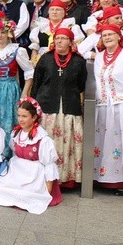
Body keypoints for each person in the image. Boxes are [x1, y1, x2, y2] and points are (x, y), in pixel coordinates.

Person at [31, 27, 87, 188]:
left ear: (71, 42)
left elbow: (81, 84)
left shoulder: (78, 61)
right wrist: (34, 106)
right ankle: (43, 178)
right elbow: (37, 82)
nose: (59, 41)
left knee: (68, 142)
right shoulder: (46, 58)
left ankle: (65, 179)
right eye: (57, 38)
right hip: (47, 107)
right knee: (49, 142)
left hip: (70, 108)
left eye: (63, 38)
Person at [92, 24, 123, 195]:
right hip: (104, 106)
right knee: (104, 143)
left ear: (119, 36)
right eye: (104, 35)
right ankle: (102, 178)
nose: (107, 37)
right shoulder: (98, 57)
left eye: (111, 34)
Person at [0, 98, 62, 214]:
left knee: (30, 194)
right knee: (1, 189)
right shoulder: (16, 133)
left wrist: (47, 193)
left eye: (24, 116)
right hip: (17, 170)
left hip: (34, 174)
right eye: (19, 115)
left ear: (34, 117)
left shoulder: (42, 139)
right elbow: (15, 152)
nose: (20, 119)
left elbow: (49, 166)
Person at [0, 16, 34, 150]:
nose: (0, 35)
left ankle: (6, 152)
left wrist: (24, 94)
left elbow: (29, 73)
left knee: (8, 119)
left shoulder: (17, 50)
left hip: (10, 89)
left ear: (9, 33)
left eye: (3, 32)